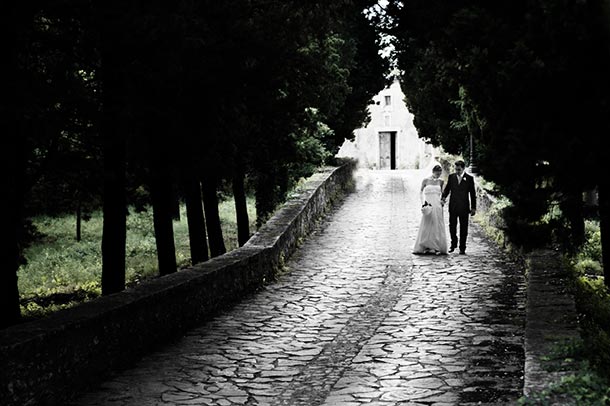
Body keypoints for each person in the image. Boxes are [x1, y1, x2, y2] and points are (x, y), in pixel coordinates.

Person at [441, 160, 476, 254]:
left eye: (459, 169)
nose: (457, 171)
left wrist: (473, 207)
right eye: (456, 169)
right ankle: (453, 244)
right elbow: (447, 189)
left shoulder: (469, 179)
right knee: (452, 226)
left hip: (464, 207)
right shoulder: (451, 177)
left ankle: (462, 247)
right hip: (453, 206)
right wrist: (443, 197)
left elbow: (473, 194)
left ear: (463, 168)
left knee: (464, 228)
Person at [413, 165, 448, 255]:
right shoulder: (425, 180)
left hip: (437, 205)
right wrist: (423, 203)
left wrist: (443, 201)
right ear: (433, 171)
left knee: (437, 224)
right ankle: (425, 245)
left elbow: (443, 194)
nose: (438, 175)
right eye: (437, 173)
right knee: (427, 224)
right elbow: (420, 192)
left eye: (440, 173)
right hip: (428, 204)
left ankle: (437, 246)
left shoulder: (441, 182)